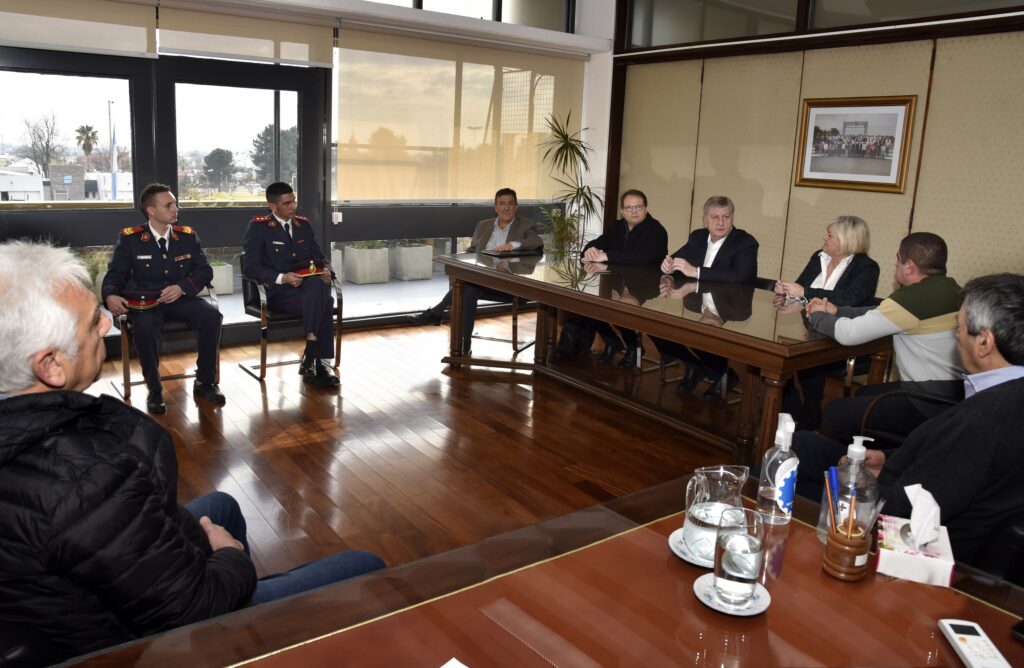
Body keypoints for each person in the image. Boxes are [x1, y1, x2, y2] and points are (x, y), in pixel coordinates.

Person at [0, 241, 386, 663]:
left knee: (222, 505)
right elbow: (189, 609)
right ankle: (242, 632)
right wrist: (229, 557)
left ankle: (250, 610)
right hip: (142, 640)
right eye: (94, 321)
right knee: (366, 566)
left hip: (84, 578)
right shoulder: (87, 483)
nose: (107, 323)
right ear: (51, 365)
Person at [791, 273, 1024, 567]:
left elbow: (905, 511)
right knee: (804, 445)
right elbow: (950, 468)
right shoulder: (1004, 397)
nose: (955, 336)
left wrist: (869, 486)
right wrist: (887, 458)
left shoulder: (983, 420)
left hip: (910, 540)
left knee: (789, 468)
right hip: (908, 481)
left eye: (959, 328)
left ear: (984, 342)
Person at [806, 231, 962, 442]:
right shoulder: (952, 289)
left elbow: (847, 334)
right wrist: (837, 311)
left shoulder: (912, 298)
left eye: (898, 259)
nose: (895, 264)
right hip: (955, 393)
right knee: (863, 394)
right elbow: (881, 312)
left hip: (926, 401)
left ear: (909, 267)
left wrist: (816, 316)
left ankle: (879, 455)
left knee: (835, 412)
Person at [102, 183, 225, 413]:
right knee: (145, 327)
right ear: (151, 210)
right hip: (146, 303)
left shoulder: (187, 236)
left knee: (211, 316)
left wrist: (182, 287)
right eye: (169, 205)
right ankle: (154, 389)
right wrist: (110, 295)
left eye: (175, 204)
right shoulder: (130, 239)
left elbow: (204, 271)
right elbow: (115, 275)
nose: (175, 209)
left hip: (180, 299)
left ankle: (205, 381)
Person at [775, 216, 880, 428]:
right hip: (809, 329)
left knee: (807, 361)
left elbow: (850, 299)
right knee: (777, 359)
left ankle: (810, 419)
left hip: (841, 337)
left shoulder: (867, 267)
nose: (824, 237)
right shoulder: (819, 257)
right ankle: (792, 412)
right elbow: (801, 286)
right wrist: (786, 289)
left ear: (846, 239)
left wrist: (804, 292)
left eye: (830, 235)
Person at [409, 187, 543, 355]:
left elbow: (536, 242)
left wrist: (512, 245)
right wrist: (458, 259)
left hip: (510, 285)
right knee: (470, 288)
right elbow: (472, 252)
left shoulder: (526, 224)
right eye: (502, 204)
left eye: (510, 203)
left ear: (516, 206)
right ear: (495, 207)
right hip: (483, 281)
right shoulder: (484, 225)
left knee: (468, 286)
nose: (506, 208)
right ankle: (465, 344)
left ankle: (437, 314)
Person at [654, 195, 759, 398]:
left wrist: (696, 272)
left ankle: (719, 373)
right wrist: (668, 266)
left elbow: (740, 276)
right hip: (698, 301)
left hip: (732, 305)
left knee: (704, 336)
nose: (720, 222)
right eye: (714, 217)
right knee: (660, 326)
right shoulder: (698, 236)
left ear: (732, 218)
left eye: (726, 217)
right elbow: (676, 259)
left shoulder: (745, 242)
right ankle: (695, 366)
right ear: (705, 219)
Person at [242, 182, 339, 387]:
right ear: (272, 206)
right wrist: (283, 277)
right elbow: (250, 267)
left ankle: (311, 353)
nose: (293, 206)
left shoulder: (303, 225)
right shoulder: (259, 228)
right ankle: (318, 361)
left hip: (306, 289)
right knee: (326, 301)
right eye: (287, 203)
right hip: (278, 292)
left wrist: (327, 272)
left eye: (294, 201)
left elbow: (320, 257)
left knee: (319, 286)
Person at [577, 189, 668, 367]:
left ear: (646, 208)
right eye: (629, 208)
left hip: (647, 286)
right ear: (622, 211)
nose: (634, 211)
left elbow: (644, 257)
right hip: (619, 283)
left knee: (624, 308)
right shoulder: (618, 227)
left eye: (638, 207)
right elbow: (599, 243)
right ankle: (613, 342)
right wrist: (590, 250)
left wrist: (607, 256)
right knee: (594, 307)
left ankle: (635, 348)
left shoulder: (656, 230)